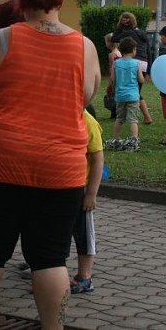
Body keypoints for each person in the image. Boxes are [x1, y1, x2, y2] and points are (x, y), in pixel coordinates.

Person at [0, 0, 100, 330]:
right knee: (50, 258)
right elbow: (84, 98)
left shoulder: (1, 39)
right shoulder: (85, 47)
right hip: (60, 166)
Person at [69, 109, 104, 294]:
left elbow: (98, 160)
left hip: (80, 189)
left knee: (84, 234)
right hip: (56, 187)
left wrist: (91, 194)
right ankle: (47, 271)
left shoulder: (87, 121)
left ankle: (85, 277)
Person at [112, 12, 153, 125]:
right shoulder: (142, 33)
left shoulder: (128, 33)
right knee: (136, 91)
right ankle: (145, 117)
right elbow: (149, 51)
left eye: (125, 19)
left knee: (134, 91)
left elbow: (114, 38)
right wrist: (148, 70)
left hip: (133, 62)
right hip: (143, 63)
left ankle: (137, 117)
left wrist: (120, 27)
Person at [109, 37, 143, 151]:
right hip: (133, 96)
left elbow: (112, 79)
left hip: (120, 96)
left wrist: (114, 89)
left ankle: (115, 140)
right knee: (133, 119)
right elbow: (141, 79)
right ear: (133, 49)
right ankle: (134, 141)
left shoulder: (116, 63)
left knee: (119, 118)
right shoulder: (136, 63)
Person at [103, 32, 119, 120]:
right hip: (121, 77)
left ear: (109, 42)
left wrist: (110, 83)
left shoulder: (111, 55)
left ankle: (114, 114)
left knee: (112, 94)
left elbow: (111, 69)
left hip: (115, 78)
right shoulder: (119, 53)